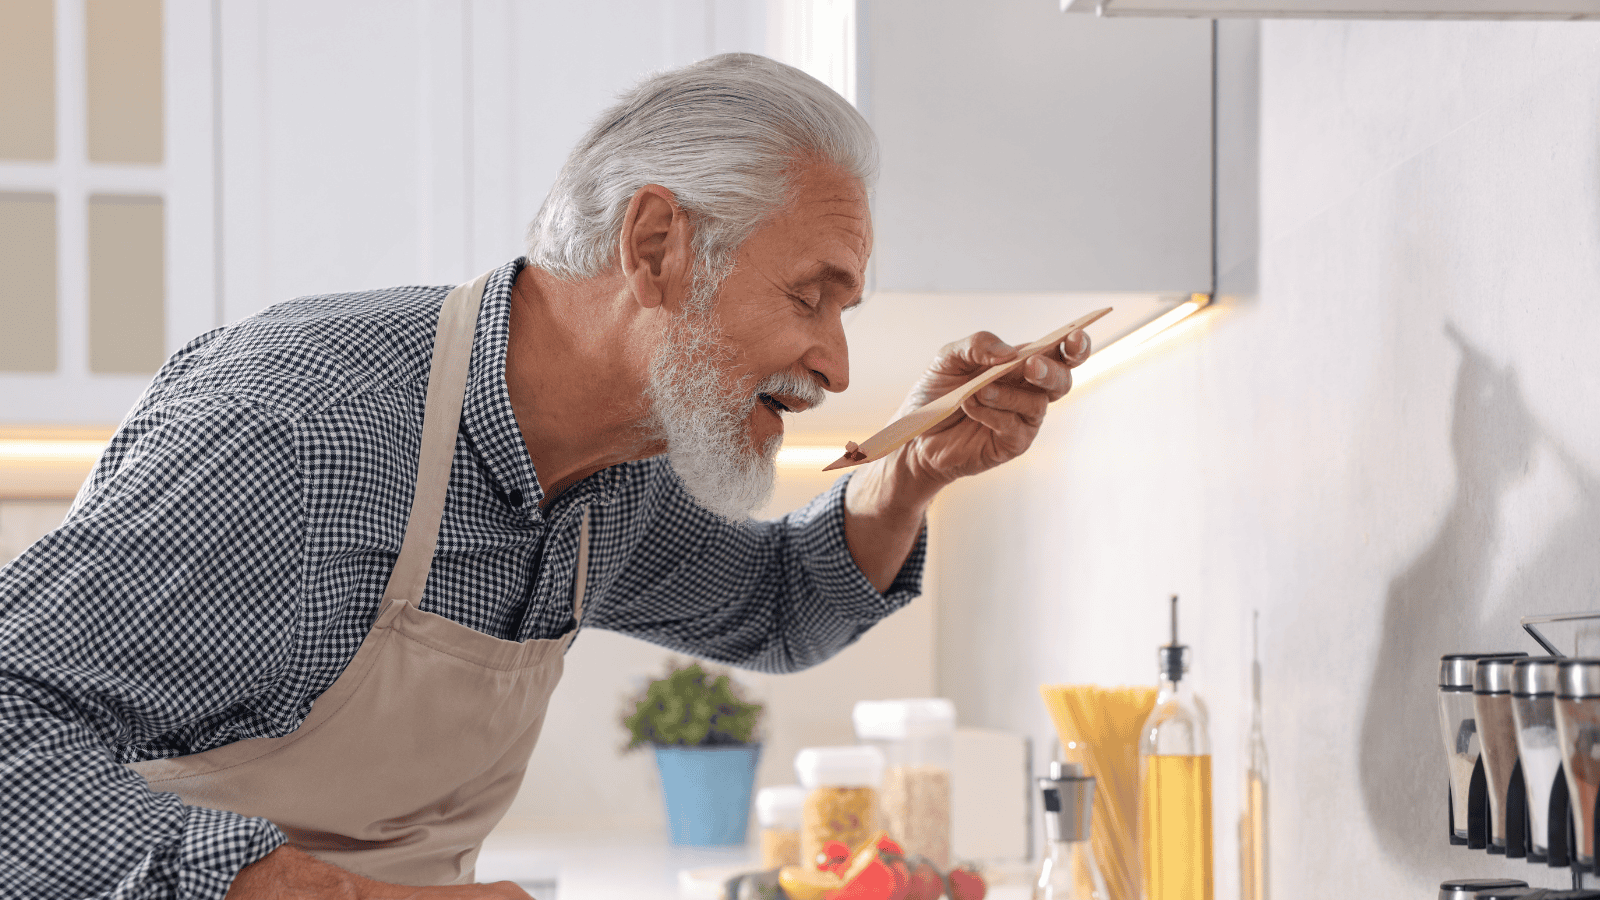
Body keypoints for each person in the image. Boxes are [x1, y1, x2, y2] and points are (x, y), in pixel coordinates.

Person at [0, 53, 1091, 899]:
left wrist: (912, 474)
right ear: (656, 246)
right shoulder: (299, 436)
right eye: (811, 297)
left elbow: (775, 603)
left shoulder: (618, 471)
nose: (837, 366)